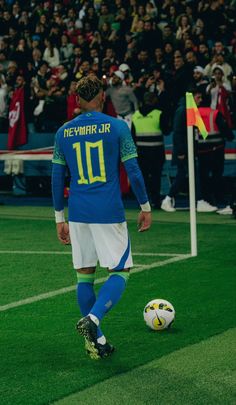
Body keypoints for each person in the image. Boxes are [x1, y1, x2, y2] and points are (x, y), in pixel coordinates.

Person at [51, 74, 152, 360]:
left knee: (84, 276)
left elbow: (57, 180)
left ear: (78, 99)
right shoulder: (117, 127)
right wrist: (145, 207)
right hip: (107, 211)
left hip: (78, 213)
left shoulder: (63, 132)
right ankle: (93, 321)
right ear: (102, 97)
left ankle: (97, 343)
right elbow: (133, 171)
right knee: (120, 271)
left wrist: (60, 217)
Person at [161, 89, 218, 213]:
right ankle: (198, 201)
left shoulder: (187, 110)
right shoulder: (183, 111)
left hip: (187, 149)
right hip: (184, 150)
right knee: (189, 174)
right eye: (198, 97)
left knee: (185, 175)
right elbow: (178, 133)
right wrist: (181, 152)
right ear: (192, 98)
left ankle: (169, 199)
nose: (200, 100)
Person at [132, 92, 170, 209]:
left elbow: (132, 136)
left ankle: (143, 202)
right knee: (155, 177)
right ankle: (155, 201)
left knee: (143, 178)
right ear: (154, 100)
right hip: (156, 152)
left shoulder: (135, 115)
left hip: (141, 153)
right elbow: (167, 130)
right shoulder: (158, 114)